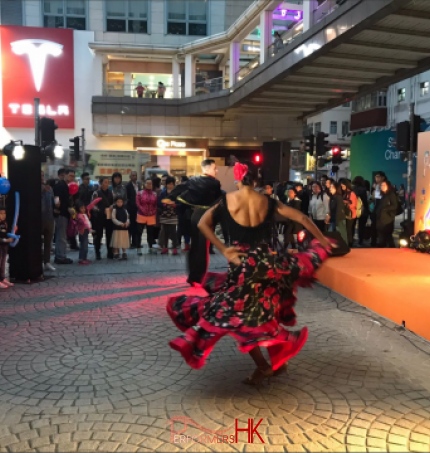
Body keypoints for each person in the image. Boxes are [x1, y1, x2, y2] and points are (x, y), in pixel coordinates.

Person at [167, 162, 332, 385]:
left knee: (239, 321)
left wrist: (223, 248)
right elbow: (302, 218)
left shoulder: (226, 201)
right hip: (266, 265)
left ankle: (265, 367)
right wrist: (323, 241)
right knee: (260, 316)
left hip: (241, 267)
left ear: (236, 180)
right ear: (254, 181)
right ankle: (276, 363)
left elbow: (202, 224)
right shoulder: (267, 201)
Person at [169, 159, 222, 287]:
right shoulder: (214, 183)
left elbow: (177, 191)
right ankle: (200, 277)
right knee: (203, 248)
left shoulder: (193, 180)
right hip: (206, 217)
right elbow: (218, 200)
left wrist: (172, 199)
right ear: (207, 169)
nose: (217, 171)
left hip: (194, 215)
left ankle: (192, 276)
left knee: (195, 246)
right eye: (215, 168)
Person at [53, 168, 73, 264]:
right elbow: (56, 198)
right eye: (70, 175)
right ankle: (60, 256)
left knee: (61, 235)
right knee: (61, 236)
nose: (71, 178)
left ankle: (60, 255)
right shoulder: (60, 185)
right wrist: (57, 207)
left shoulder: (64, 185)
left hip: (63, 212)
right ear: (63, 175)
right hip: (62, 213)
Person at [91, 177, 114, 260]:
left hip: (108, 216)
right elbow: (93, 205)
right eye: (105, 182)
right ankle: (97, 252)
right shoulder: (96, 193)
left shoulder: (111, 192)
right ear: (101, 183)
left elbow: (113, 203)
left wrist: (111, 207)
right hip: (99, 216)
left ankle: (110, 252)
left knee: (109, 235)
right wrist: (99, 210)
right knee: (99, 235)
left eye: (108, 182)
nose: (107, 184)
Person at [136, 178, 158, 255]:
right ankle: (138, 248)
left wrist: (153, 212)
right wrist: (143, 210)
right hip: (141, 215)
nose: (149, 185)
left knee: (151, 233)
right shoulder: (140, 193)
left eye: (150, 184)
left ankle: (150, 247)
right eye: (147, 183)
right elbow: (138, 204)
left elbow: (156, 205)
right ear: (144, 184)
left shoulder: (155, 194)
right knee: (139, 233)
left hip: (151, 216)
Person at [158, 176, 178, 255]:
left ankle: (174, 247)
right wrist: (164, 205)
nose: (170, 185)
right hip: (164, 215)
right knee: (165, 232)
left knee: (173, 231)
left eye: (172, 184)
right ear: (166, 184)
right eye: (169, 184)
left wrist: (175, 205)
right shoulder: (163, 193)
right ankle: (165, 247)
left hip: (173, 214)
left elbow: (180, 203)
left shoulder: (176, 193)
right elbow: (159, 203)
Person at [41, 171, 56, 272]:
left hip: (50, 217)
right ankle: (38, 261)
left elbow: (53, 201)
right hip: (39, 218)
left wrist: (56, 205)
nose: (42, 177)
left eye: (43, 175)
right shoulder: (34, 187)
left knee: (48, 241)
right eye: (40, 175)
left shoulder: (49, 188)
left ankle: (47, 262)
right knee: (38, 242)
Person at [376, 180, 397, 248]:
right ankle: (382, 245)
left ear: (388, 186)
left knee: (387, 234)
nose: (382, 187)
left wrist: (386, 209)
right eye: (381, 185)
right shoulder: (382, 195)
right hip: (381, 217)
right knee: (382, 234)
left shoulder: (391, 194)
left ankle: (391, 247)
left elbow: (395, 205)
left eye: (384, 185)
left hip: (388, 218)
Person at [339, 178, 357, 247]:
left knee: (349, 229)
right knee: (347, 229)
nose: (342, 187)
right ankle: (348, 242)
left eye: (343, 186)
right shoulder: (346, 193)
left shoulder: (352, 193)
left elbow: (353, 204)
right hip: (346, 214)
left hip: (350, 214)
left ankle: (350, 243)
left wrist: (345, 203)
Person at [126, 171, 141, 249]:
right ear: (130, 177)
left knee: (137, 226)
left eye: (135, 175)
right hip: (131, 208)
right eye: (132, 175)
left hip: (138, 209)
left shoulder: (139, 185)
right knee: (130, 227)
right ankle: (129, 243)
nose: (134, 177)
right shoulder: (128, 186)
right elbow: (127, 198)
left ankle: (136, 243)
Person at [0, 207, 14, 289]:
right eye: (1, 213)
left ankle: (2, 278)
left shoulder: (5, 223)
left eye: (4, 213)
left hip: (4, 246)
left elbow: (7, 233)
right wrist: (5, 240)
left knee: (3, 262)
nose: (3, 215)